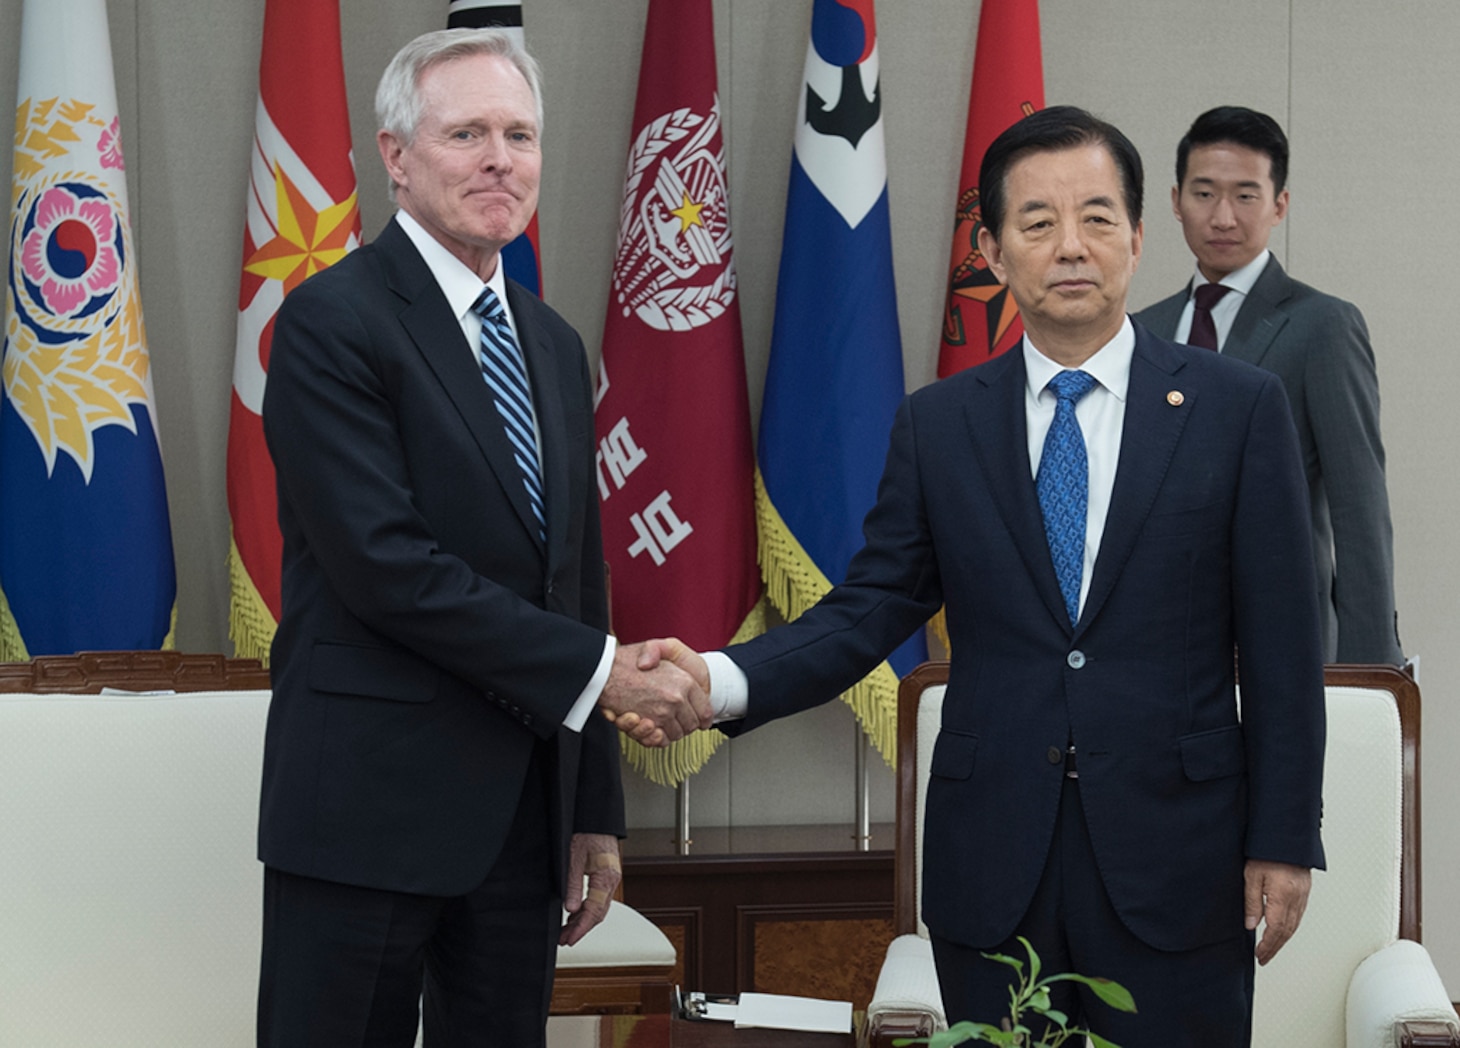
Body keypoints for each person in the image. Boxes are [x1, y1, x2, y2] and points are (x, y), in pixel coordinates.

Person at [635, 107, 1326, 1047]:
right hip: (997, 862)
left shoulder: (1237, 410)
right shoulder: (941, 424)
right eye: (1037, 224)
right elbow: (869, 608)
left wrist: (1283, 841)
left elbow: (1285, 648)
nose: (1070, 246)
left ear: (1137, 235)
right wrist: (718, 679)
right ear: (995, 254)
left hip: (1180, 858)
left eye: (1096, 217)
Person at [256, 28, 708, 1048]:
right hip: (365, 815)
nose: (500, 158)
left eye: (519, 133)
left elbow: (575, 580)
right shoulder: (330, 323)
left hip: (519, 820)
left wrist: (592, 805)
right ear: (397, 156)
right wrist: (606, 673)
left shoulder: (549, 342)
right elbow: (386, 570)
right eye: (466, 133)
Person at [1135, 105, 1402, 665]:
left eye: (1246, 195)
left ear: (1279, 204)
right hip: (1155, 642)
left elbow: (1360, 507)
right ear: (1175, 200)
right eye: (1204, 193)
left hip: (1281, 640)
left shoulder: (1321, 325)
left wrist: (1370, 667)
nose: (1224, 217)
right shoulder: (1141, 332)